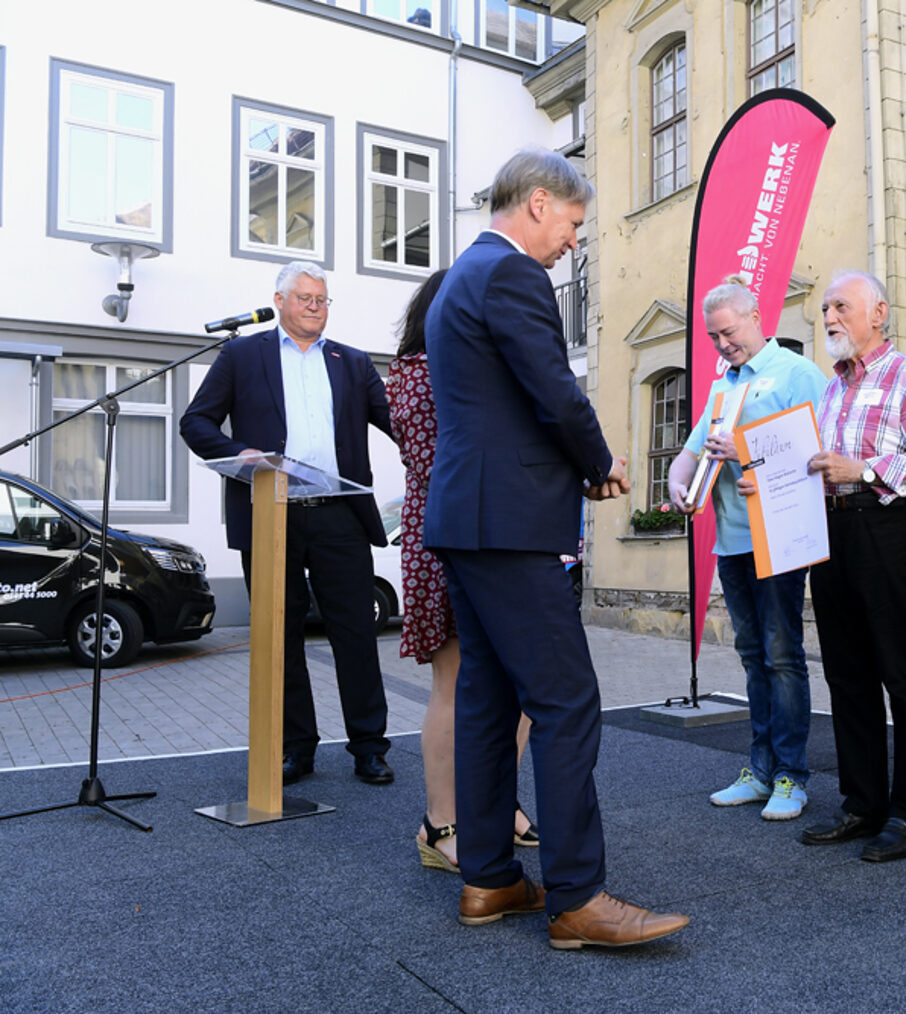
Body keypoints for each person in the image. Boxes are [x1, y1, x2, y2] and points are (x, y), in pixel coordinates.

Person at [423, 148, 688, 948]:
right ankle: (578, 898)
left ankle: (492, 879)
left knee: (487, 702)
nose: (574, 241)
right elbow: (553, 388)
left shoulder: (458, 279)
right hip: (508, 524)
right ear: (539, 204)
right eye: (574, 223)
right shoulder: (511, 276)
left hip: (470, 520)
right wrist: (600, 462)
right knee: (568, 702)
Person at [181, 261, 393, 787]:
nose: (316, 308)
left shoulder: (353, 363)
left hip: (338, 515)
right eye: (305, 299)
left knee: (356, 634)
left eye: (322, 300)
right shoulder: (241, 354)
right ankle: (297, 746)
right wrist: (239, 453)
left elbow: (399, 424)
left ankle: (368, 746)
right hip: (270, 515)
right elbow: (195, 422)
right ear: (279, 300)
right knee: (281, 637)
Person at [795, 270, 906, 862]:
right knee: (846, 674)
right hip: (831, 532)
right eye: (825, 308)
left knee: (902, 675)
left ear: (878, 312)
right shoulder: (833, 389)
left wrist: (860, 470)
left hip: (886, 528)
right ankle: (862, 805)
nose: (829, 316)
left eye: (840, 306)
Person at [387, 270, 537, 874]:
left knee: (519, 690)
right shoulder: (425, 372)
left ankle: (492, 808)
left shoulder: (439, 368)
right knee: (453, 686)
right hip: (450, 537)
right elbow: (453, 457)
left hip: (475, 534)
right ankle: (440, 824)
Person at [668, 277, 827, 822]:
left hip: (779, 536)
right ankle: (759, 770)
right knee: (752, 655)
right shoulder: (723, 386)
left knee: (783, 656)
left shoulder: (798, 374)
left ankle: (791, 776)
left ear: (756, 317)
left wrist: (745, 450)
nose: (722, 345)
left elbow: (818, 455)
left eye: (728, 332)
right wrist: (677, 483)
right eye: (713, 337)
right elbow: (690, 453)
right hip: (733, 540)